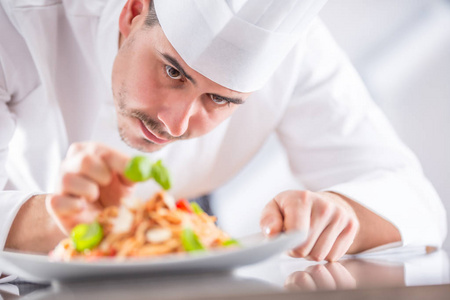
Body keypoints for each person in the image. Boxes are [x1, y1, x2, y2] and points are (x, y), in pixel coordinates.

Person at [0, 0, 446, 262]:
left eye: (220, 99)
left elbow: (416, 200)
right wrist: (63, 216)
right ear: (134, 12)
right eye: (172, 71)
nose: (175, 123)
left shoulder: (298, 54)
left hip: (187, 245)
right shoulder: (20, 21)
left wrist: (342, 211)